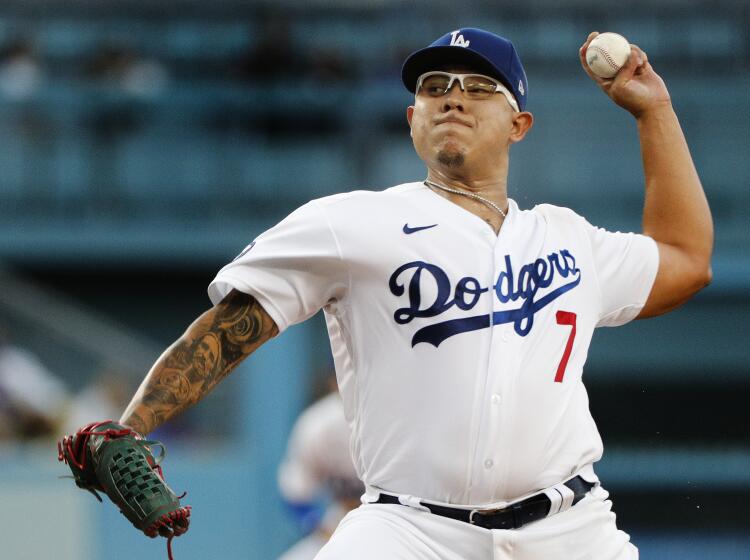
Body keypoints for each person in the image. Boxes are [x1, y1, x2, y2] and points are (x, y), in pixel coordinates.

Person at [117, 28, 712, 559]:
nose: (453, 96)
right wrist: (132, 427)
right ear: (412, 119)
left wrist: (653, 112)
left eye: (480, 88)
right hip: (409, 531)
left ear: (519, 125)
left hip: (570, 531)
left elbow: (686, 260)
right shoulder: (352, 224)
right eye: (435, 86)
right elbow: (229, 329)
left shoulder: (569, 239)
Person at [276, 388, 364, 560]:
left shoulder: (400, 421)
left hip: (403, 525)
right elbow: (296, 496)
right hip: (340, 523)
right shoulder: (318, 424)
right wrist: (319, 527)